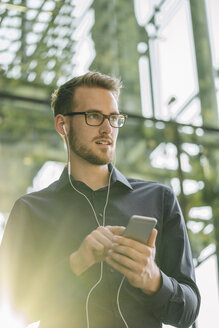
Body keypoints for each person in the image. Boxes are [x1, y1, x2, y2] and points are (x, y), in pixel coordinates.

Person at [0, 72, 200, 328]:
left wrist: (152, 279)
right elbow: (12, 307)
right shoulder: (30, 210)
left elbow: (188, 312)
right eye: (94, 116)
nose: (107, 128)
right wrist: (78, 262)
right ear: (63, 125)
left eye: (113, 118)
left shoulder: (159, 198)